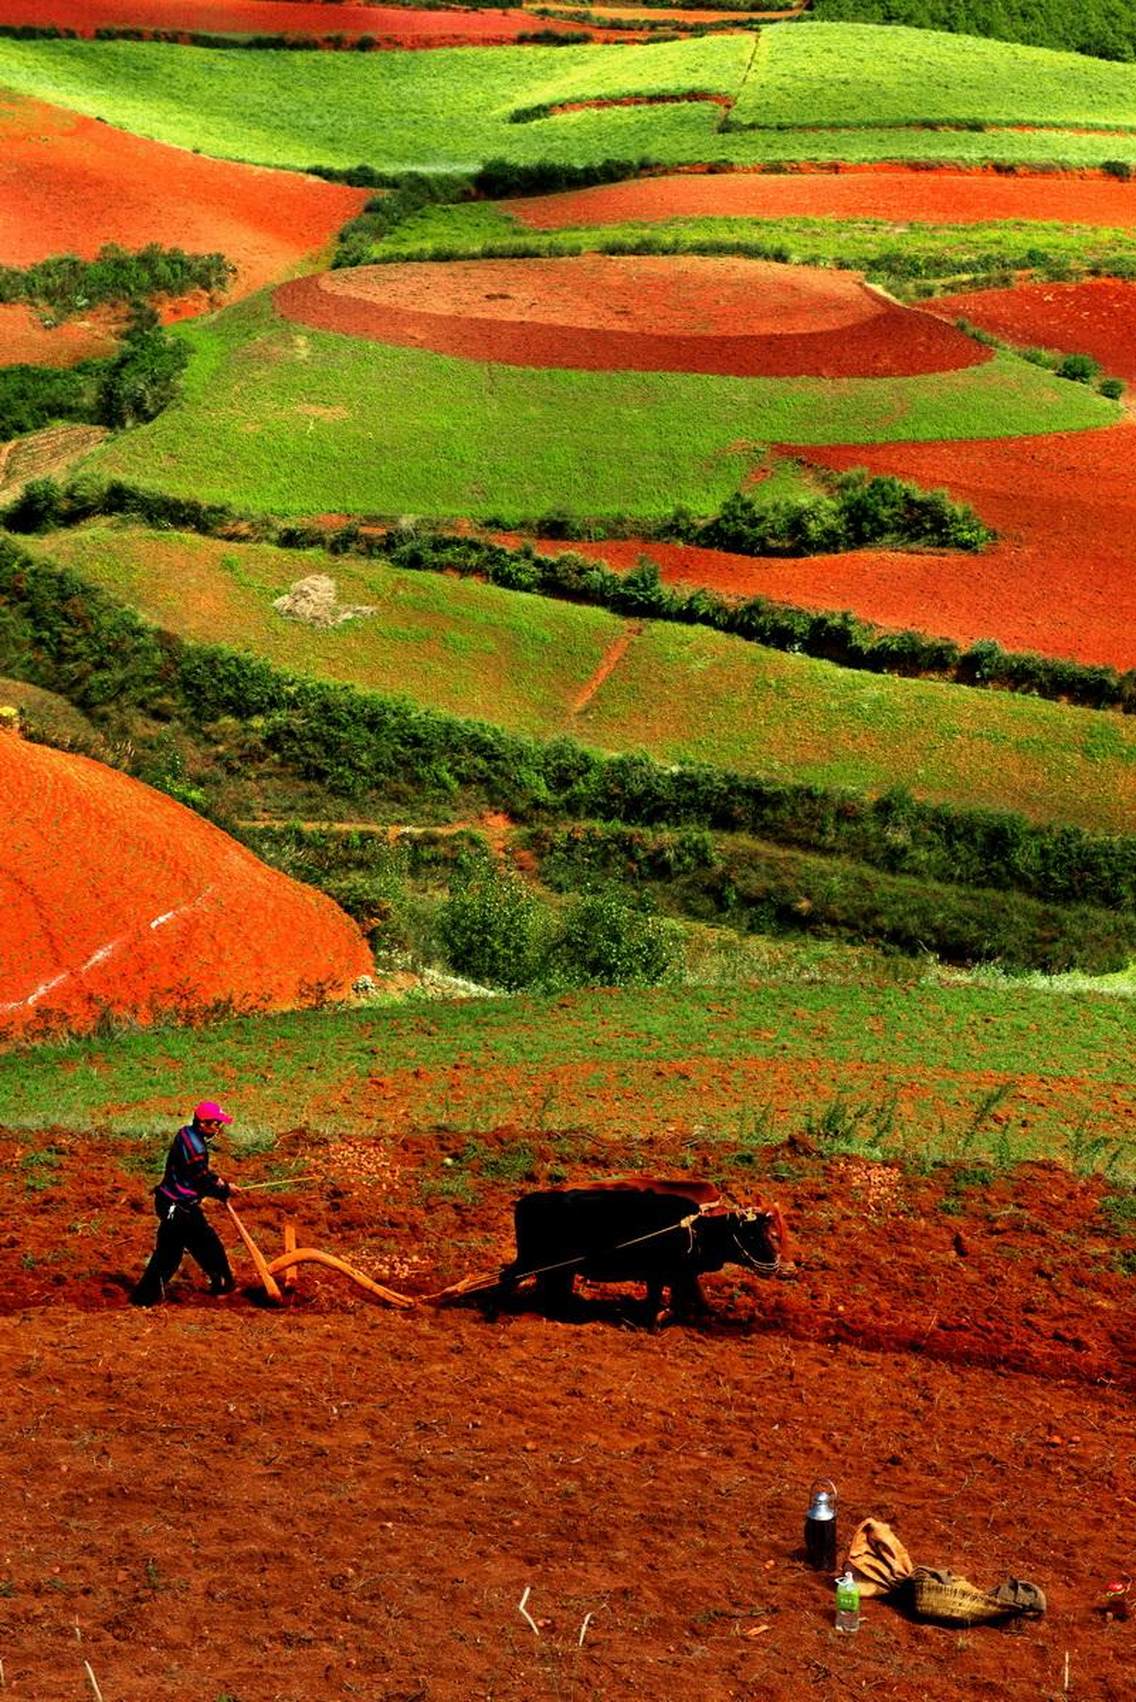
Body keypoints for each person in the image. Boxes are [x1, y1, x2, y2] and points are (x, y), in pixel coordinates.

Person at [130, 1100, 239, 1307]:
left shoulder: (185, 1134)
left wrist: (223, 1186)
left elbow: (205, 1176)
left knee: (203, 1245)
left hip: (177, 1205)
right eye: (216, 1124)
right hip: (177, 1208)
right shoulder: (196, 1149)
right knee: (172, 1255)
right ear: (203, 1124)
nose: (219, 1129)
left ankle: (223, 1285)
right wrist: (225, 1190)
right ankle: (143, 1299)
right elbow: (203, 1179)